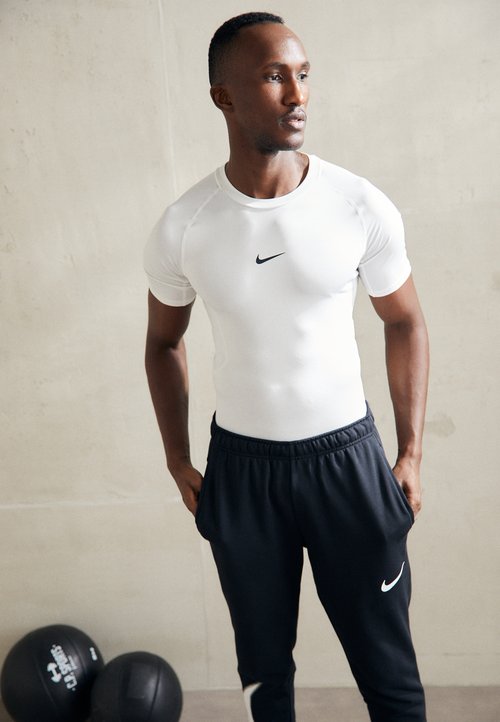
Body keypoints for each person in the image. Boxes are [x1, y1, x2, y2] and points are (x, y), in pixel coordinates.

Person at [144, 11, 429, 722]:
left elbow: (405, 321)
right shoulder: (186, 224)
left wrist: (410, 452)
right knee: (263, 676)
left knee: (390, 674)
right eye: (275, 77)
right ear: (224, 97)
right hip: (243, 475)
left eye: (303, 75)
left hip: (348, 464)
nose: (298, 95)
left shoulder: (357, 204)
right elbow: (162, 343)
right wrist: (177, 457)